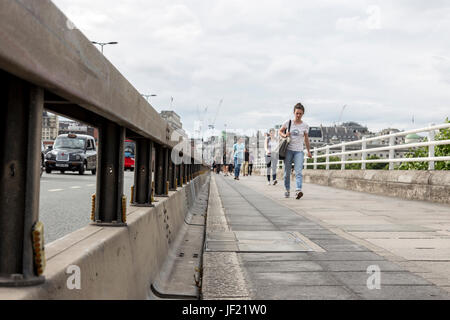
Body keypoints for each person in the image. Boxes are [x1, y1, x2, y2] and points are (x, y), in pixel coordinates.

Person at [279, 102, 312, 199]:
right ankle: (287, 189)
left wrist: (309, 151)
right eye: (297, 113)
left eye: (300, 114)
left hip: (299, 151)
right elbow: (280, 131)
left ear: (303, 114)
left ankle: (298, 190)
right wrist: (285, 135)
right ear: (294, 112)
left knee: (298, 171)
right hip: (288, 150)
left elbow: (306, 139)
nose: (298, 115)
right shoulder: (288, 122)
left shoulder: (305, 126)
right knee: (287, 172)